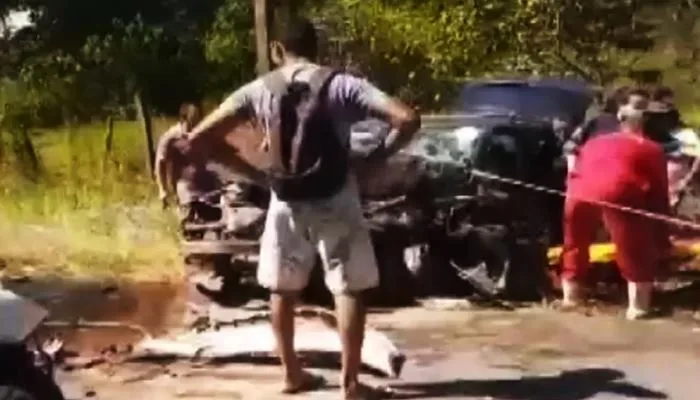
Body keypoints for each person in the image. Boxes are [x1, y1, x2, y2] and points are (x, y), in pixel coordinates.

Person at [185, 17, 420, 398]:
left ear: (277, 50)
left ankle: (292, 374)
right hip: (337, 196)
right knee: (348, 289)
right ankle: (351, 384)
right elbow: (407, 118)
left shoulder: (256, 90)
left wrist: (252, 173)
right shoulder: (344, 84)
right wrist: (375, 157)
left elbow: (198, 140)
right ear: (317, 48)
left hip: (285, 199)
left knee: (281, 288)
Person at [560, 88, 671, 320]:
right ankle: (638, 308)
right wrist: (662, 238)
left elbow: (575, 168)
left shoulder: (594, 142)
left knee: (575, 243)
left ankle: (570, 298)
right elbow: (658, 197)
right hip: (617, 190)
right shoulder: (652, 149)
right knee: (634, 246)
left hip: (578, 190)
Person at [154, 103, 221, 221]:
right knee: (189, 216)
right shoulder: (171, 137)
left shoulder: (202, 133)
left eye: (198, 119)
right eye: (193, 119)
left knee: (215, 215)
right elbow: (160, 163)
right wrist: (162, 190)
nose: (197, 123)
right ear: (183, 119)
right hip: (184, 185)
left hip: (205, 184)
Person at [563, 86, 628, 172]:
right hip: (595, 173)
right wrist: (572, 168)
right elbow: (570, 146)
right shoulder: (597, 122)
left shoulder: (644, 126)